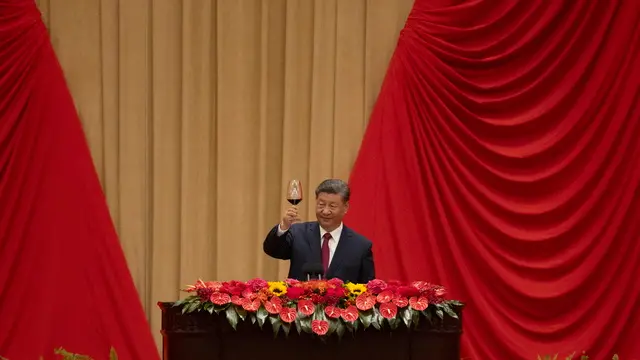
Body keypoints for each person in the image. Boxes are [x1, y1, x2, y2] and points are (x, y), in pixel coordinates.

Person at [263, 179, 375, 283]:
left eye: (332, 206)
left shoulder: (360, 246)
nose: (325, 211)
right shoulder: (298, 233)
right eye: (321, 205)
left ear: (345, 207)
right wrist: (284, 226)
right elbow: (272, 250)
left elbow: (367, 289)